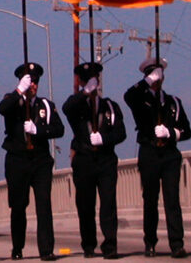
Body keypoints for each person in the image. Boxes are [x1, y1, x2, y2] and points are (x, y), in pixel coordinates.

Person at [124, 57, 190, 259]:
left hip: (169, 154)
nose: (157, 80)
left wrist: (171, 132)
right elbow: (128, 96)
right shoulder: (140, 100)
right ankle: (150, 242)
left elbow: (186, 131)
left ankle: (177, 244)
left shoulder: (173, 102)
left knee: (172, 200)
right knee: (150, 200)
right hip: (149, 152)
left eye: (159, 76)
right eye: (153, 76)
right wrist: (147, 82)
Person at [0, 62, 65, 261]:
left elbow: (59, 129)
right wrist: (20, 90)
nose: (32, 85)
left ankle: (46, 249)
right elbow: (2, 109)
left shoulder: (46, 106)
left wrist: (39, 131)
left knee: (44, 204)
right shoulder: (12, 101)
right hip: (17, 159)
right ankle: (17, 247)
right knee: (18, 205)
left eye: (35, 81)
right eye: (29, 81)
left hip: (40, 160)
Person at [62, 62, 126, 259]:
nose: (92, 84)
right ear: (81, 82)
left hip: (106, 159)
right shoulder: (77, 106)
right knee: (86, 205)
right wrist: (83, 93)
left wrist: (105, 139)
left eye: (94, 80)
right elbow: (66, 108)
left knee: (108, 203)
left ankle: (110, 245)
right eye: (87, 80)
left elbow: (121, 132)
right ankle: (89, 244)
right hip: (84, 159)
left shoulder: (110, 106)